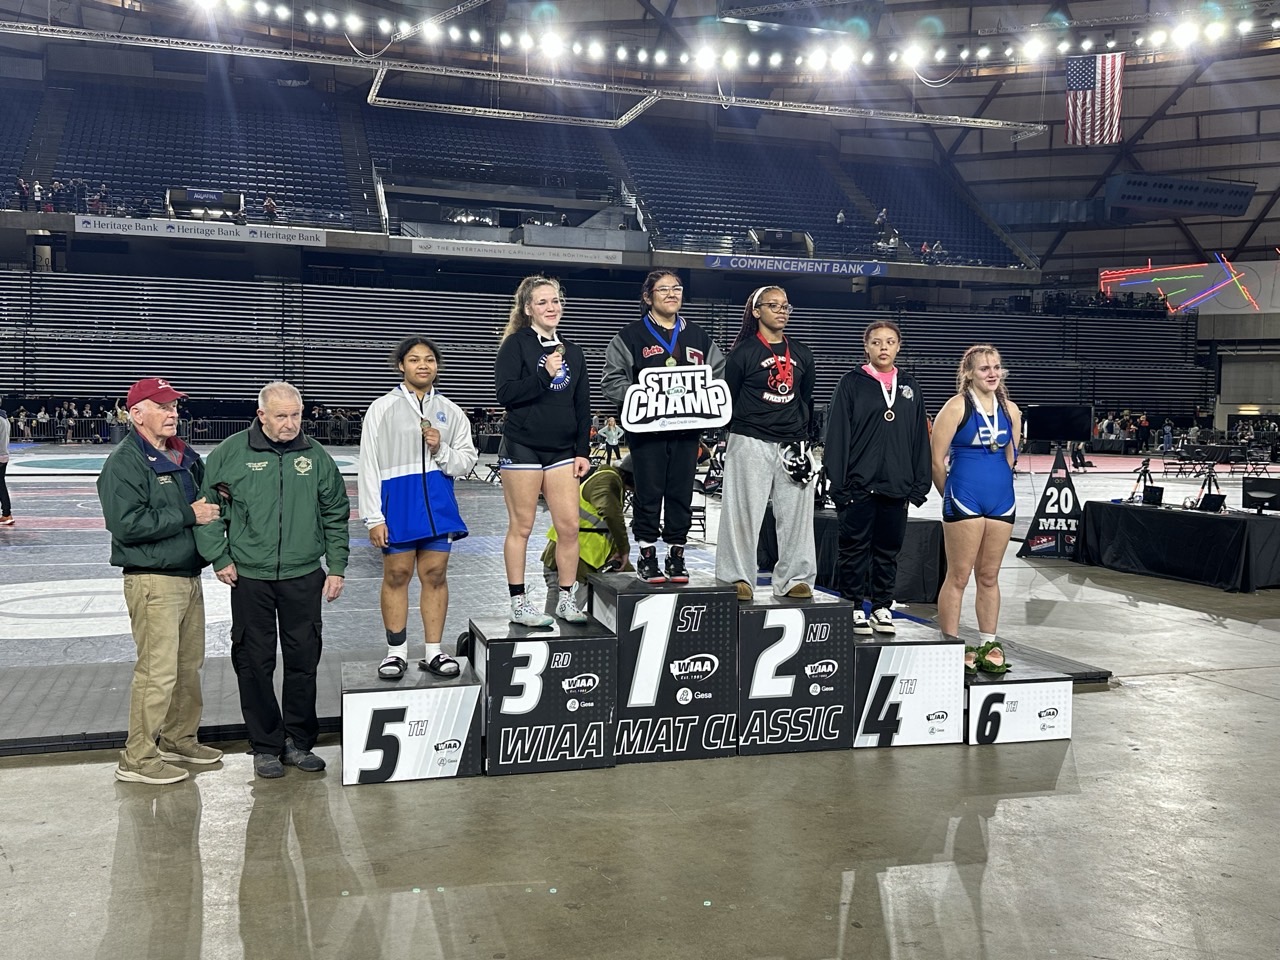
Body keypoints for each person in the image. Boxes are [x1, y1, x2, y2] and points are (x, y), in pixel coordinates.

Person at [196, 382, 349, 779]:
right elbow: (208, 509)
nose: (290, 423)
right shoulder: (230, 453)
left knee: (303, 661)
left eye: (296, 415)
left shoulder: (315, 457)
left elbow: (335, 512)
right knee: (253, 662)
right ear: (261, 415)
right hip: (249, 577)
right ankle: (265, 746)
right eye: (281, 416)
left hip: (303, 576)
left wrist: (336, 566)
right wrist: (220, 557)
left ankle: (299, 742)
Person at [97, 377, 224, 784]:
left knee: (188, 667)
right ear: (136, 414)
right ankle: (136, 757)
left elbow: (211, 499)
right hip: (152, 580)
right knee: (157, 672)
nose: (173, 414)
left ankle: (178, 737)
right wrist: (190, 515)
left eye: (175, 407)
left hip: (187, 576)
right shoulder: (125, 462)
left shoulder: (185, 455)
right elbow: (126, 524)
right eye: (163, 407)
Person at [359, 337, 477, 680]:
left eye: (429, 359)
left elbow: (465, 463)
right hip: (397, 505)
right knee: (396, 575)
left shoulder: (452, 412)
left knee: (436, 576)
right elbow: (368, 464)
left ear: (437, 366)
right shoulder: (381, 408)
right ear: (401, 366)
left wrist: (441, 449)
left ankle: (434, 651)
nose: (422, 365)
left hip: (439, 506)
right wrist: (374, 517)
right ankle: (396, 652)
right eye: (414, 360)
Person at [601, 268, 726, 583]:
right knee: (649, 491)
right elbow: (611, 381)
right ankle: (646, 553)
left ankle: (676, 554)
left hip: (687, 432)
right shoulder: (629, 336)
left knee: (682, 492)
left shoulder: (698, 336)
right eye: (664, 289)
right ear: (647, 297)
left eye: (678, 288)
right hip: (647, 433)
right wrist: (645, 395)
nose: (672, 294)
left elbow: (719, 375)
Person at [495, 275, 593, 626]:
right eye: (542, 302)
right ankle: (519, 603)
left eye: (555, 301)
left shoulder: (574, 351)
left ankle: (565, 599)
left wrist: (583, 450)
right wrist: (542, 374)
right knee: (522, 526)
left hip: (562, 451)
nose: (551, 307)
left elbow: (583, 405)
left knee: (569, 527)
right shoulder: (516, 345)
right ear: (528, 309)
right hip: (523, 446)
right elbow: (505, 394)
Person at [824, 321, 931, 635]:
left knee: (888, 549)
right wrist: (838, 482)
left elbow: (919, 439)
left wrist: (918, 484)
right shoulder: (851, 383)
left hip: (896, 485)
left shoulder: (910, 386)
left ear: (898, 346)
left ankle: (882, 606)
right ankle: (854, 604)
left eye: (890, 342)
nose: (883, 348)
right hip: (858, 484)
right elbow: (837, 435)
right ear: (866, 347)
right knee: (854, 548)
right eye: (876, 342)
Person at [716, 285, 817, 601]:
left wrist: (804, 439)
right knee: (742, 512)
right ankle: (737, 577)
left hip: (792, 443)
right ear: (756, 311)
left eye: (786, 306)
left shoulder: (801, 352)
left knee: (797, 517)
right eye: (773, 305)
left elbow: (805, 396)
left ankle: (795, 578)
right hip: (750, 438)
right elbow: (728, 396)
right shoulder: (743, 353)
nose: (781, 311)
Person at [930, 344, 1022, 648]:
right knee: (958, 576)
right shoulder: (956, 407)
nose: (992, 373)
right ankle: (950, 643)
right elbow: (935, 461)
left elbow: (1011, 458)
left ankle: (988, 643)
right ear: (969, 374)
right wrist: (950, 496)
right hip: (963, 497)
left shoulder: (1011, 410)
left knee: (989, 576)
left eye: (996, 367)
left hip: (1001, 499)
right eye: (984, 368)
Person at [540, 457, 635, 617]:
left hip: (582, 561)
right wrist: (624, 549)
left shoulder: (612, 481)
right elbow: (611, 515)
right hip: (571, 563)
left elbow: (604, 528)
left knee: (561, 623)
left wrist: (628, 569)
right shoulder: (608, 480)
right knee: (559, 626)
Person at [0, 410, 11, 525]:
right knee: (1, 485)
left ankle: (7, 513)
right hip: (4, 454)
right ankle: (6, 513)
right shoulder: (5, 418)